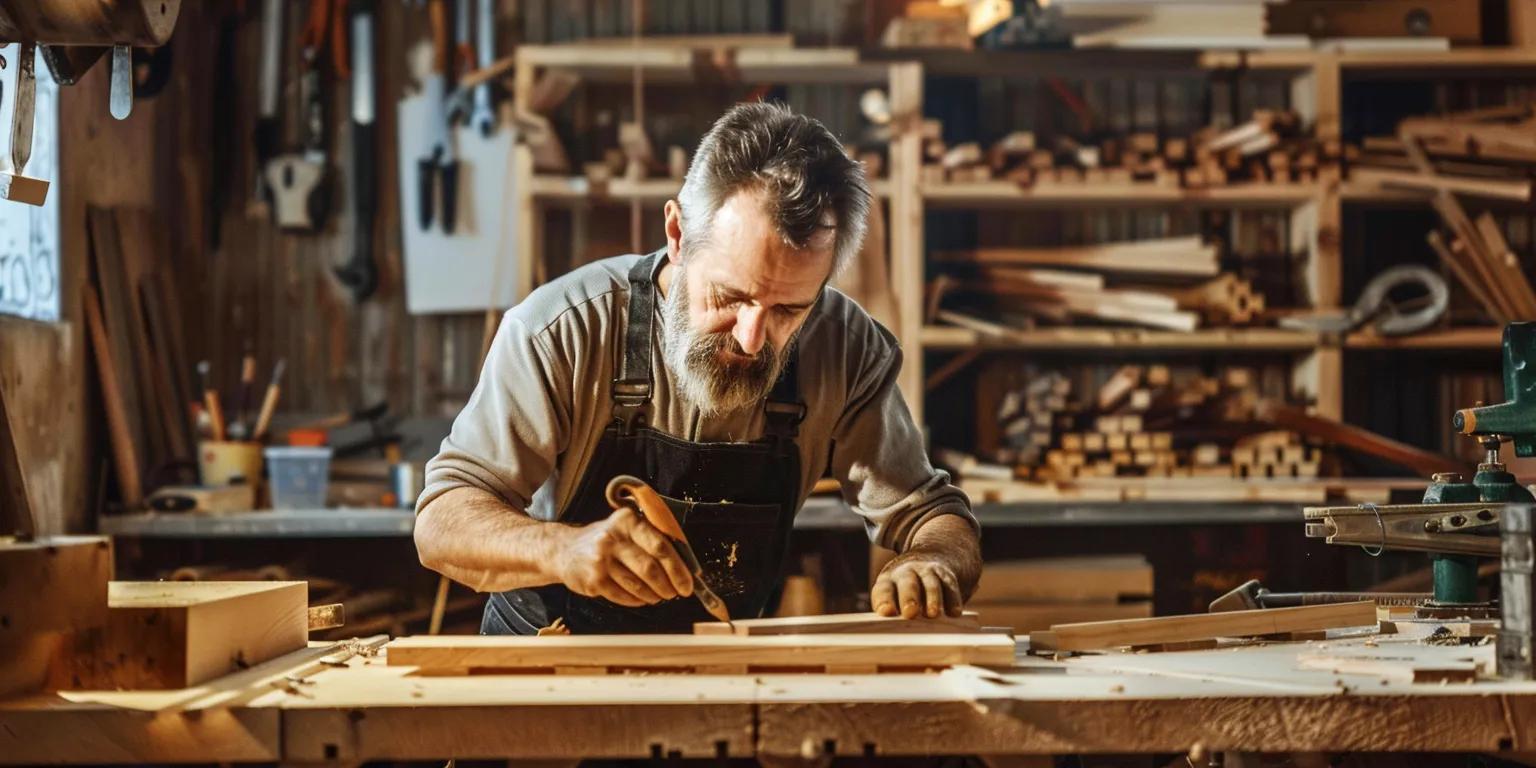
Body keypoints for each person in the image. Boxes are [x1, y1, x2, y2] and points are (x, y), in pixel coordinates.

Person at [414, 101, 980, 634]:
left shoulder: (847, 348)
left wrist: (933, 561)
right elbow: (441, 522)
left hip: (719, 671)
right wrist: (562, 550)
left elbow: (934, 515)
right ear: (678, 235)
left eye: (789, 310)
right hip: (547, 667)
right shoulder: (563, 328)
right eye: (730, 297)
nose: (753, 337)